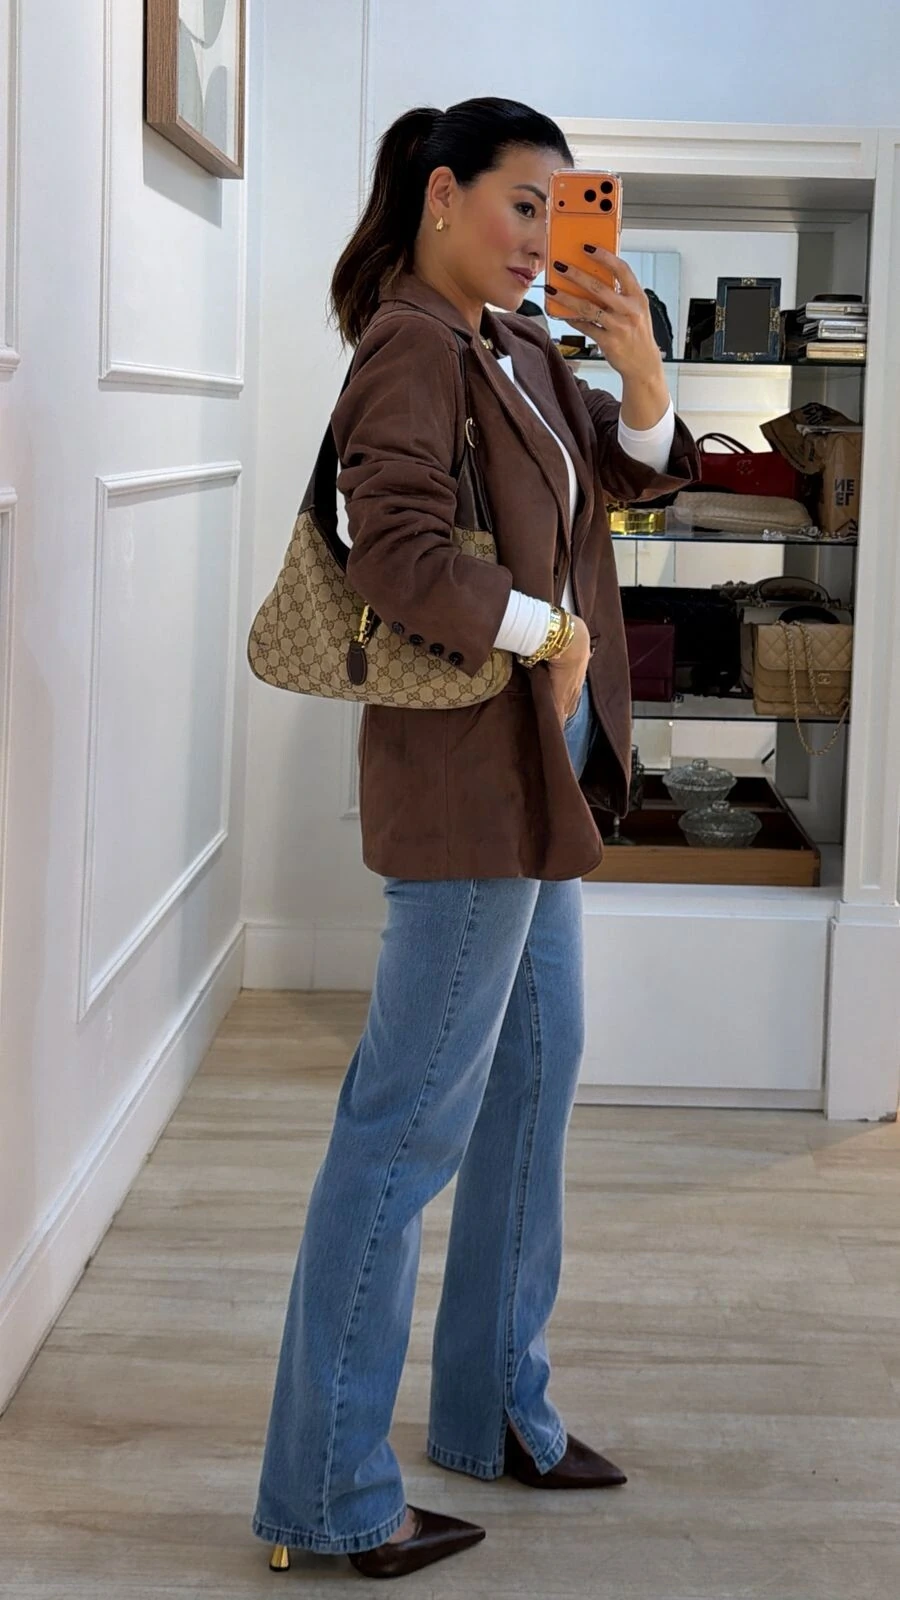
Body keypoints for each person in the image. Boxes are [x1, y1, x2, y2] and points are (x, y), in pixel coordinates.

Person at [252, 96, 699, 1582]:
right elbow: (395, 550)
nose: (540, 238)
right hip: (469, 772)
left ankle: (493, 1410)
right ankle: (328, 1491)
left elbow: (617, 478)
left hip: (537, 760)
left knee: (531, 1076)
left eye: (560, 213)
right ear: (442, 195)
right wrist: (551, 632)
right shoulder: (410, 343)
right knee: (405, 1126)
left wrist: (641, 373)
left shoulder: (512, 344)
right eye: (522, 205)